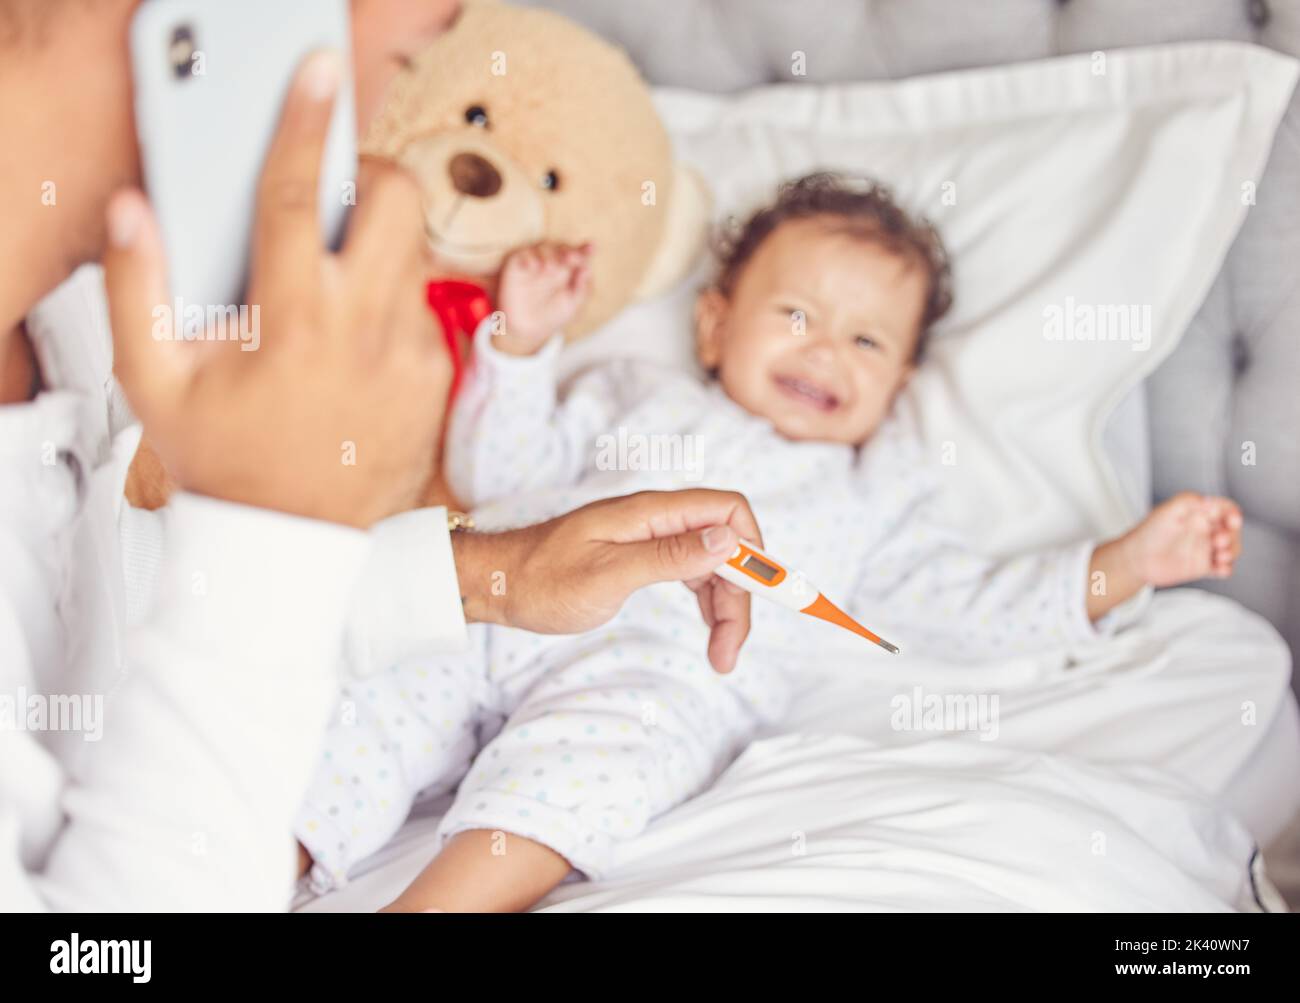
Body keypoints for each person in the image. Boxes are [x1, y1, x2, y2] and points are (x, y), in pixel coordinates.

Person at [292, 172, 1243, 911]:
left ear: (901, 385)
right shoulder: (635, 395)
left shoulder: (872, 498)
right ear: (714, 325)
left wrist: (1125, 566)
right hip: (509, 601)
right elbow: (505, 475)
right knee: (375, 698)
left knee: (590, 772)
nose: (828, 351)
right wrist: (522, 348)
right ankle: (261, 860)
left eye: (869, 343)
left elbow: (971, 604)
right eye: (798, 316)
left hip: (666, 673)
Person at [0, 0, 759, 911]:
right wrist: (266, 522)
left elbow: (96, 622)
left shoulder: (83, 313)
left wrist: (495, 575)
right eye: (409, 64)